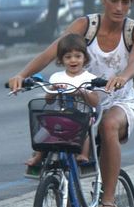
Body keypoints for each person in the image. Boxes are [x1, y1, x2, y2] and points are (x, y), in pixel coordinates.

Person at [9, 0, 134, 207]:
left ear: (131, 3)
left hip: (117, 101)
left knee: (108, 126)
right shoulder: (86, 25)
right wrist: (21, 75)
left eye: (125, 2)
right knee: (65, 159)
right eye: (114, 0)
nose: (119, 7)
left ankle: (108, 199)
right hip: (80, 103)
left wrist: (122, 77)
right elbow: (51, 52)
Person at [26, 33, 99, 169]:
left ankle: (83, 154)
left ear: (85, 58)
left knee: (86, 130)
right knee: (44, 129)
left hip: (82, 116)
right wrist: (53, 89)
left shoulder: (89, 78)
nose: (73, 60)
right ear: (61, 60)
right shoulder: (57, 77)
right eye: (68, 57)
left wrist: (83, 92)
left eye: (78, 56)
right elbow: (48, 100)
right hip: (61, 115)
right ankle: (38, 156)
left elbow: (95, 102)